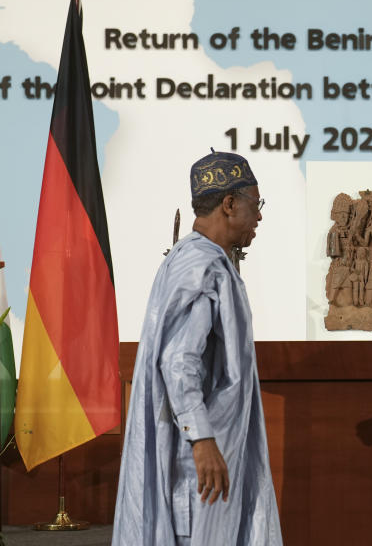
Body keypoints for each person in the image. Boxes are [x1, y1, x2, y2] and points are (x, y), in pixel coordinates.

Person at [111, 151, 282, 546]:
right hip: (201, 464)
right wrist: (202, 439)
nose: (259, 217)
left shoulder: (190, 260)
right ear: (229, 204)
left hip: (207, 456)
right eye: (256, 206)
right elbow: (178, 361)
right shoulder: (202, 268)